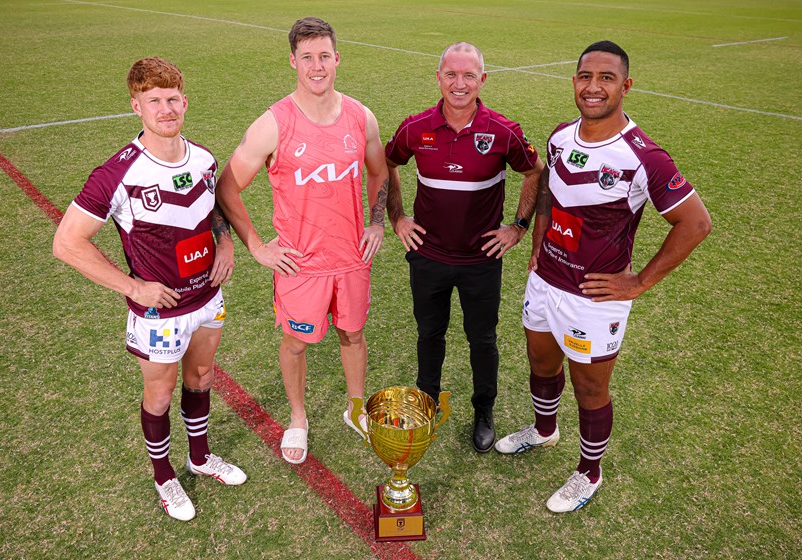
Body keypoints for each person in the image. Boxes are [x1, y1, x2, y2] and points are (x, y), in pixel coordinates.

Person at [495, 41, 712, 512]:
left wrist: (639, 282)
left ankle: (589, 473)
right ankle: (545, 430)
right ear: (574, 81)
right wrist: (536, 245)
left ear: (625, 86)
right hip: (545, 280)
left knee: (590, 388)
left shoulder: (644, 156)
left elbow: (696, 223)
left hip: (595, 298)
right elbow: (551, 189)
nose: (593, 87)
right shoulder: (559, 137)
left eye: (606, 78)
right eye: (585, 77)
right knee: (541, 363)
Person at [52, 57, 247, 522]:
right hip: (158, 315)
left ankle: (199, 458)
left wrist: (225, 244)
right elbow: (66, 242)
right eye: (154, 101)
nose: (166, 108)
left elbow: (213, 205)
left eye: (173, 98)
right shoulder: (117, 173)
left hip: (207, 299)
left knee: (201, 379)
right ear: (135, 106)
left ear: (185, 101)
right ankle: (164, 478)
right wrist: (133, 287)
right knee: (159, 396)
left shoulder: (203, 158)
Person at [216, 17, 388, 465]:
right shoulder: (274, 123)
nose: (317, 66)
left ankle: (355, 410)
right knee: (295, 343)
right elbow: (226, 185)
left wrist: (376, 223)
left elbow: (379, 170)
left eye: (325, 56)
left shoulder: (360, 115)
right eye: (307, 57)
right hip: (300, 263)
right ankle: (298, 418)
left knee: (353, 334)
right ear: (293, 60)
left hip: (351, 259)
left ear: (337, 58)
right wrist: (255, 245)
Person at [385, 42, 544, 453]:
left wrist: (519, 227)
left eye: (468, 75)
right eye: (451, 74)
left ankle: (483, 410)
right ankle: (428, 402)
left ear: (482, 80)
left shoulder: (503, 131)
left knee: (482, 339)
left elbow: (534, 172)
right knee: (429, 333)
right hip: (428, 257)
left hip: (480, 261)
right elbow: (387, 164)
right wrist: (398, 218)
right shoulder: (414, 127)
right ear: (438, 78)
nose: (459, 84)